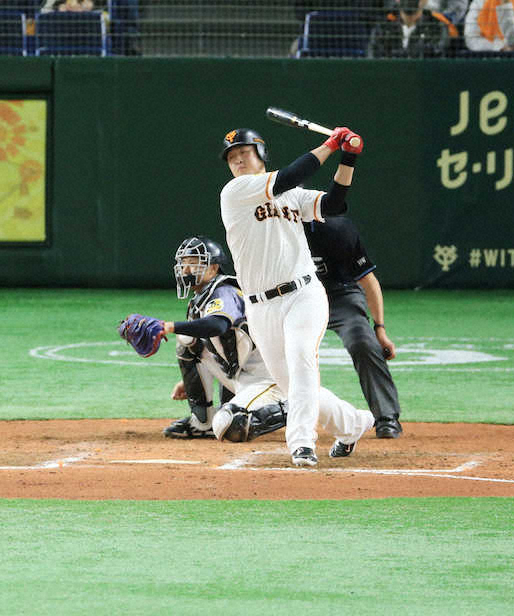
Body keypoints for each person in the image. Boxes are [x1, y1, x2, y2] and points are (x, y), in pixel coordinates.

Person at [218, 127, 375, 467]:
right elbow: (291, 174)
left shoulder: (292, 195)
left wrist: (348, 158)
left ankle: (301, 443)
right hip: (260, 308)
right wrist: (331, 145)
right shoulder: (235, 192)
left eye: (244, 152)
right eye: (232, 157)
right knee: (294, 387)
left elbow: (334, 205)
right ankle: (354, 423)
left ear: (261, 154)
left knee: (302, 358)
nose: (238, 160)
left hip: (303, 294)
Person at [160, 236, 288, 443]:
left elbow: (217, 325)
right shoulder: (203, 297)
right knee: (188, 340)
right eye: (184, 263)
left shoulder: (225, 292)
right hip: (242, 374)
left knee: (230, 425)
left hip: (268, 378)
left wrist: (170, 327)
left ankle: (294, 407)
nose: (186, 270)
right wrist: (192, 381)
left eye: (194, 263)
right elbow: (215, 345)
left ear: (213, 268)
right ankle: (202, 423)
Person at [304, 216, 404, 438]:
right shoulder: (274, 227)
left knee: (362, 342)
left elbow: (368, 280)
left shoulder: (336, 229)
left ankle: (386, 416)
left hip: (340, 296)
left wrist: (379, 329)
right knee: (265, 345)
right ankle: (248, 410)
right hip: (296, 298)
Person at [367, 0, 452, 57]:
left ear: (425, 1)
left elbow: (438, 61)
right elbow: (373, 60)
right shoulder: (383, 28)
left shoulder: (438, 28)